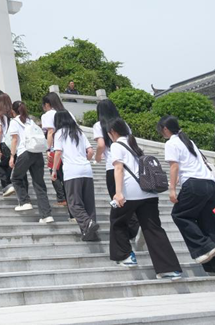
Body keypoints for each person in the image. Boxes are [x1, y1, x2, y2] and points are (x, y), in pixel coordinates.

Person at [158, 116, 215, 277]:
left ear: (165, 129)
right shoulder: (188, 141)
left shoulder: (171, 143)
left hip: (194, 185)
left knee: (180, 215)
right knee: (214, 225)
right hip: (211, 185)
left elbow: (174, 166)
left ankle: (205, 246)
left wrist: (172, 190)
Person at [108, 118, 183, 280]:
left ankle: (126, 256)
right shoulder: (133, 143)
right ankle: (169, 269)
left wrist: (118, 193)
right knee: (153, 228)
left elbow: (119, 169)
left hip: (131, 192)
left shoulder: (116, 145)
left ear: (113, 132)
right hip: (149, 193)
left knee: (117, 221)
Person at [94, 99, 141, 254]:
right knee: (130, 199)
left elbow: (101, 144)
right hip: (131, 167)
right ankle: (136, 227)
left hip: (113, 166)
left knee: (119, 202)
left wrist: (98, 157)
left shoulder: (99, 125)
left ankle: (133, 229)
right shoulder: (123, 124)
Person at [51, 111, 98, 241]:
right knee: (89, 204)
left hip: (72, 172)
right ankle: (90, 233)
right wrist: (84, 160)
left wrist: (54, 170)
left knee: (73, 203)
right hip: (86, 170)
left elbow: (58, 153)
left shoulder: (59, 133)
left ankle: (87, 223)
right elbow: (90, 151)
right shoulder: (79, 132)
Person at [6, 100, 54, 223]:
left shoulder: (14, 122)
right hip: (37, 153)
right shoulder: (30, 121)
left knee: (16, 178)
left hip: (25, 152)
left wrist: (12, 156)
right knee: (39, 184)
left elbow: (14, 140)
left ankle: (24, 202)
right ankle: (46, 215)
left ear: (13, 111)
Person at [41, 92, 69, 207]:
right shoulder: (66, 112)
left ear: (47, 104)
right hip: (68, 148)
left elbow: (50, 132)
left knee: (54, 173)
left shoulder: (48, 115)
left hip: (55, 147)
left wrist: (48, 149)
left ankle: (62, 198)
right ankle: (69, 196)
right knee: (65, 173)